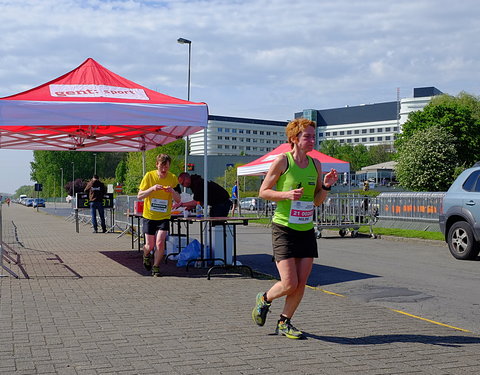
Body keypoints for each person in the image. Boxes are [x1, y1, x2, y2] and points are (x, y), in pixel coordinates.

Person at [251, 118, 338, 339]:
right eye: (307, 136)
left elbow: (317, 200)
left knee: (301, 283)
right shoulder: (283, 162)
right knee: (290, 282)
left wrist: (326, 185)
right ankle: (265, 298)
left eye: (313, 136)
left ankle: (284, 321)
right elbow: (263, 191)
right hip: (284, 228)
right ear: (294, 139)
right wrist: (286, 195)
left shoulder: (315, 165)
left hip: (306, 229)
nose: (311, 140)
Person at [137, 154, 181, 277]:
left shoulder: (172, 178)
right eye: (162, 166)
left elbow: (178, 200)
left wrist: (172, 191)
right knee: (149, 245)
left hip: (164, 216)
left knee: (160, 242)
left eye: (166, 167)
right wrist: (152, 189)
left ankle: (156, 267)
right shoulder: (149, 176)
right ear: (157, 165)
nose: (164, 170)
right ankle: (146, 255)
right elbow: (140, 195)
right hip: (149, 216)